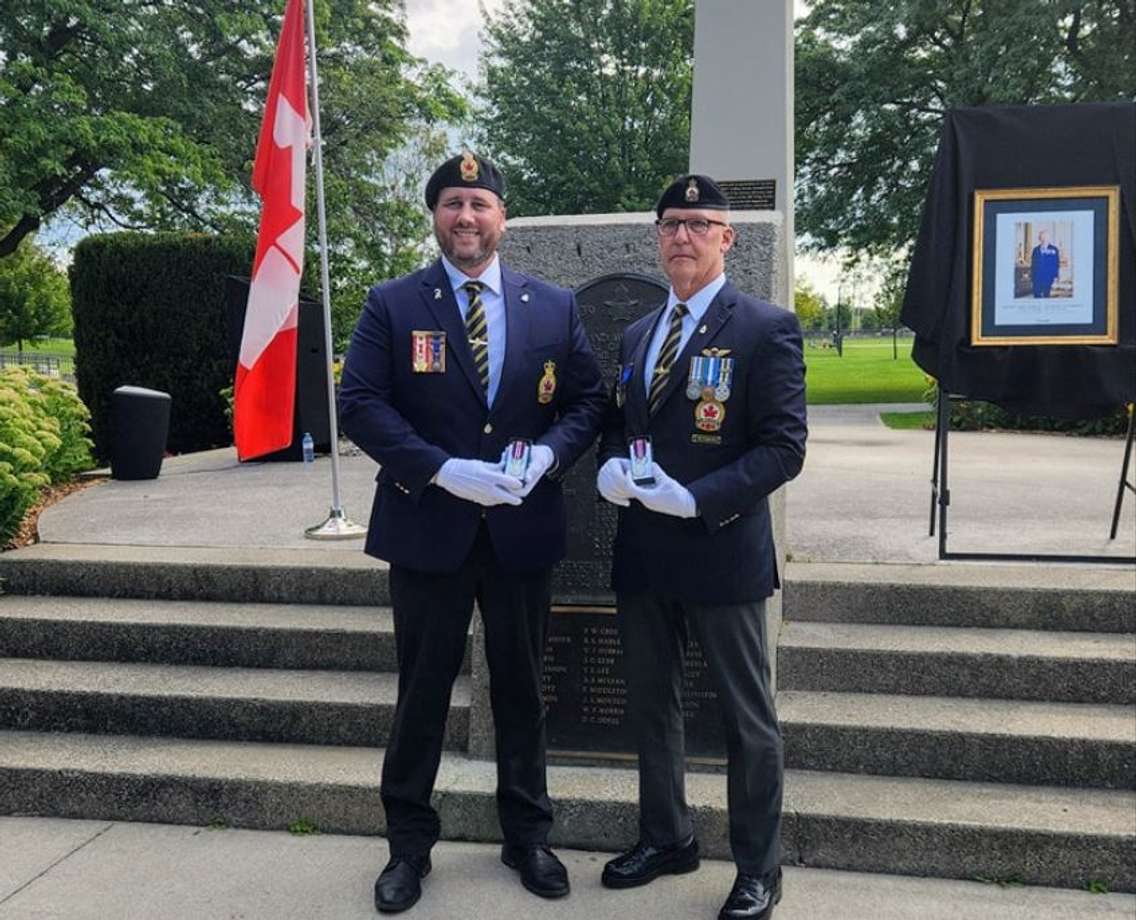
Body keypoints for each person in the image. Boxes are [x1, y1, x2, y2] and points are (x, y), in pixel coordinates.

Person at [339, 151, 606, 914]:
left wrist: (549, 457)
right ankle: (407, 848)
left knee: (522, 689)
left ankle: (528, 837)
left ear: (502, 218)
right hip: (429, 528)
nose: (466, 217)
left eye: (479, 204)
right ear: (435, 216)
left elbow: (586, 402)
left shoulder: (551, 305)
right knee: (422, 692)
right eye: (453, 203)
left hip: (521, 530)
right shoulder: (393, 303)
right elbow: (360, 403)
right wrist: (441, 470)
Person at [595, 174, 807, 920]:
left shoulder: (765, 328)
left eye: (698, 223)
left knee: (747, 720)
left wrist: (697, 498)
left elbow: (784, 447)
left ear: (728, 238)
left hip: (722, 551)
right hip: (645, 554)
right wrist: (611, 466)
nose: (681, 235)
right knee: (653, 707)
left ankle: (758, 869)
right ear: (657, 237)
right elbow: (623, 425)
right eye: (670, 223)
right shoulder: (637, 334)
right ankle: (667, 837)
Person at [1030, 229, 1060, 298]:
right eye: (1042, 237)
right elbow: (1033, 264)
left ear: (1048, 239)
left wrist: (1056, 276)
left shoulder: (1054, 249)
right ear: (1039, 239)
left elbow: (1056, 264)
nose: (1044, 239)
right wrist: (1032, 277)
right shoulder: (1035, 250)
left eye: (1045, 237)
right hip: (1037, 277)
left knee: (1047, 295)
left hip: (1048, 277)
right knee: (1037, 295)